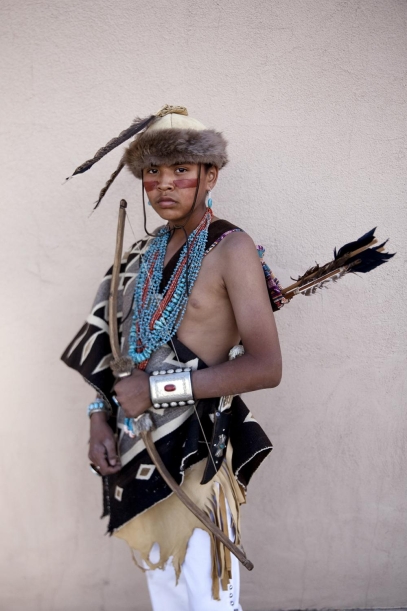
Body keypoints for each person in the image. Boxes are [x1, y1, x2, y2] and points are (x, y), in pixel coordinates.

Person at [62, 106, 285, 611]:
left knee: (209, 601)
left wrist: (157, 390)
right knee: (166, 598)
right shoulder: (142, 253)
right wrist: (98, 419)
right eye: (152, 171)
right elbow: (115, 348)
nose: (164, 183)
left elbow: (266, 365)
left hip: (197, 452)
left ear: (211, 175)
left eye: (181, 169)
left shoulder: (232, 248)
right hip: (140, 450)